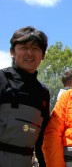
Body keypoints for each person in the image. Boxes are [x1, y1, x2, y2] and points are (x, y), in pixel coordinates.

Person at [0, 26, 50, 167]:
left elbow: (42, 139)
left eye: (35, 49)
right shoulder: (2, 79)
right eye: (24, 47)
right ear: (12, 52)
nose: (29, 53)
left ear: (43, 55)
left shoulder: (43, 92)